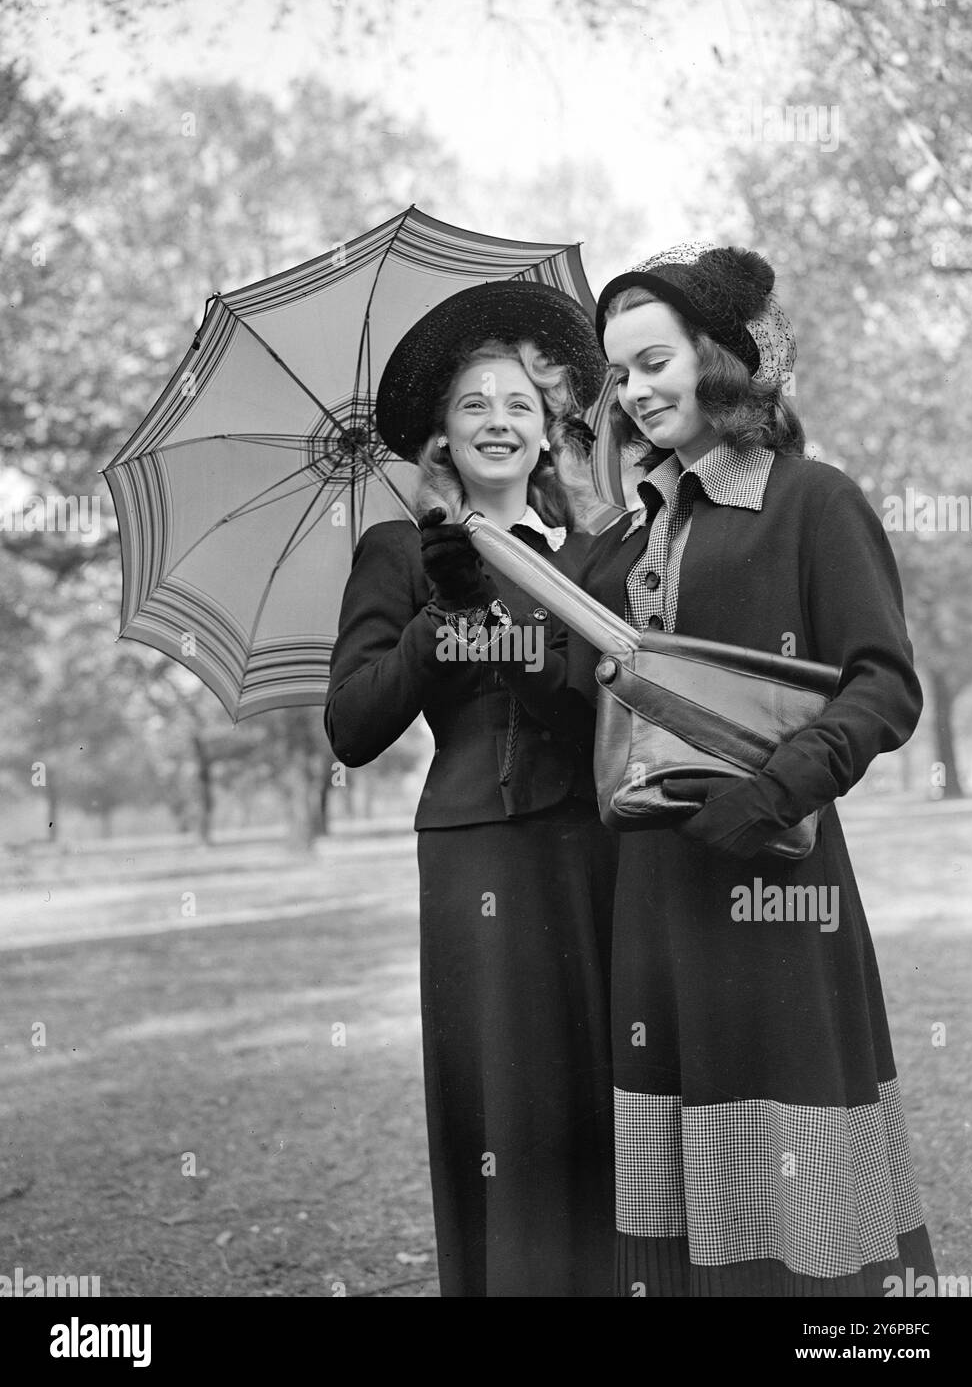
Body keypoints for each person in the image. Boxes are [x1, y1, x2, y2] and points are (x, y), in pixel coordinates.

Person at [562, 242, 938, 1296]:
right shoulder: (618, 543)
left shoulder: (811, 501)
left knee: (801, 1197)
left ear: (719, 359)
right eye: (617, 375)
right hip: (654, 900)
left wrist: (779, 783)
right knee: (675, 1203)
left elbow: (881, 683)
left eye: (652, 361)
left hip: (778, 886)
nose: (632, 391)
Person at [324, 280, 618, 1297]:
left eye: (519, 406)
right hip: (471, 850)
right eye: (472, 404)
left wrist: (501, 600)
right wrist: (436, 615)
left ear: (547, 436)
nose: (497, 419)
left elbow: (593, 714)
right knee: (499, 1096)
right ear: (441, 436)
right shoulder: (395, 552)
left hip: (587, 845)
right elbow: (352, 726)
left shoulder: (588, 557)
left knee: (593, 1087)